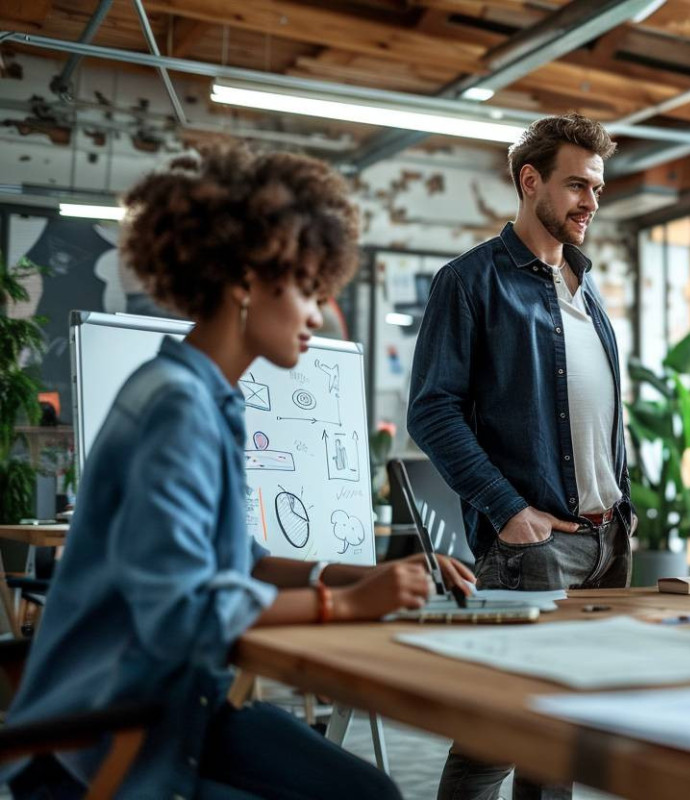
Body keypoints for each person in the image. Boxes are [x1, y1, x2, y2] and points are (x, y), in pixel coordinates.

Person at [3, 145, 475, 800]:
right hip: (104, 735)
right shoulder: (176, 406)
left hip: (176, 706)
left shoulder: (205, 396)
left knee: (369, 793)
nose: (316, 316)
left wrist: (359, 576)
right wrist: (341, 605)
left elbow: (238, 561)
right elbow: (181, 614)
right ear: (245, 282)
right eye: (307, 290)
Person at [407, 113, 632, 800]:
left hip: (605, 541)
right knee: (496, 737)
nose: (590, 202)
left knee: (558, 737)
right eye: (576, 186)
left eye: (596, 188)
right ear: (529, 181)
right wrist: (508, 510)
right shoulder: (470, 281)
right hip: (533, 545)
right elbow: (432, 410)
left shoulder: (584, 286)